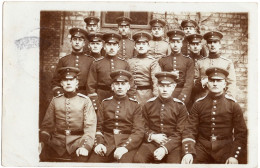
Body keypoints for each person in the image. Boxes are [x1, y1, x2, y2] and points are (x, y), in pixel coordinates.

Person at [181, 67, 247, 164]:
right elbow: (190, 129)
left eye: (219, 81)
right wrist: (189, 152)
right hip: (202, 147)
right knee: (188, 163)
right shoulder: (198, 104)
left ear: (225, 84)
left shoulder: (233, 105)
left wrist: (234, 155)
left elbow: (241, 134)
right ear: (207, 83)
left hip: (225, 147)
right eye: (212, 80)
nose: (215, 83)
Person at [40, 67, 97, 162]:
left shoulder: (85, 101)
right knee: (42, 157)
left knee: (81, 159)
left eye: (71, 80)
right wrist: (42, 142)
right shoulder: (56, 100)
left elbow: (90, 128)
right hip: (57, 143)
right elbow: (47, 125)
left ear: (77, 82)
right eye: (65, 80)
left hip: (77, 142)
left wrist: (85, 146)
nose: (68, 83)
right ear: (61, 83)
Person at [88, 70, 145, 163]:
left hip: (127, 142)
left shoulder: (135, 105)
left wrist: (125, 147)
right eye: (117, 84)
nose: (120, 87)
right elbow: (98, 128)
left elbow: (138, 131)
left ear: (128, 86)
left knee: (125, 164)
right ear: (112, 86)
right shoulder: (105, 103)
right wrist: (99, 144)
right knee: (92, 163)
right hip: (107, 143)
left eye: (123, 84)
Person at [133, 72, 188, 163]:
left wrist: (165, 148)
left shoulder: (180, 106)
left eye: (168, 86)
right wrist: (152, 136)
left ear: (174, 86)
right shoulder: (148, 104)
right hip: (152, 143)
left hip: (173, 145)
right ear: (157, 86)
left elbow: (180, 132)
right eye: (162, 86)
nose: (165, 89)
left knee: (174, 164)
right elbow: (142, 127)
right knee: (138, 160)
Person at [87, 31, 136, 104]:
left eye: (114, 45)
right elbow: (91, 84)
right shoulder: (97, 63)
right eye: (109, 45)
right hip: (101, 97)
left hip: (120, 97)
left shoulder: (124, 63)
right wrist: (95, 100)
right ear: (104, 47)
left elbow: (130, 83)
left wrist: (130, 99)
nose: (112, 48)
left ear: (118, 47)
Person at [51, 27, 94, 96]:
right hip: (66, 95)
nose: (77, 42)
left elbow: (93, 82)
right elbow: (55, 81)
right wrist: (59, 92)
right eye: (74, 39)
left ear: (84, 43)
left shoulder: (91, 60)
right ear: (71, 42)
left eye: (80, 40)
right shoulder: (63, 60)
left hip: (84, 95)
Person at [195, 31, 237, 98]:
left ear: (220, 45)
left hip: (222, 99)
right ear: (206, 45)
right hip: (204, 98)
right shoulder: (200, 62)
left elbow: (231, 83)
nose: (212, 45)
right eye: (210, 42)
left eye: (215, 42)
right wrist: (202, 82)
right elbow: (194, 83)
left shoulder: (227, 63)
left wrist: (229, 99)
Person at [158, 29, 194, 105]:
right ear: (169, 43)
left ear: (182, 44)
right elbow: (159, 81)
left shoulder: (188, 61)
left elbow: (189, 82)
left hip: (182, 93)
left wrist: (182, 98)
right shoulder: (162, 60)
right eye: (172, 42)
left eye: (178, 42)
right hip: (166, 93)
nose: (175, 45)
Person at [127, 31, 161, 105]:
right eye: (138, 44)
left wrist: (156, 97)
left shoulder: (153, 62)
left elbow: (156, 81)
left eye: (144, 44)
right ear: (135, 47)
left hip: (146, 95)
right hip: (130, 95)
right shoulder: (129, 61)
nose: (141, 46)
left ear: (148, 46)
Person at [185, 33, 205, 110]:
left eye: (197, 44)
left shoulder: (204, 60)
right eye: (193, 44)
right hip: (187, 93)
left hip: (200, 93)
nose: (195, 46)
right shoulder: (185, 60)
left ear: (201, 46)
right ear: (189, 46)